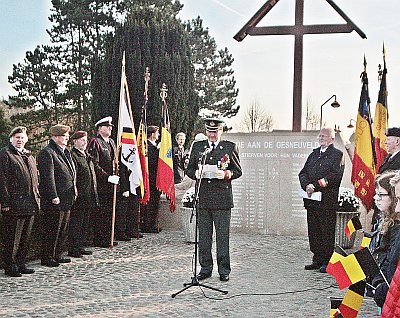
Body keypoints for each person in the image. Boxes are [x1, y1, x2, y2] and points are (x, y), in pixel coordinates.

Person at [186, 118, 242, 282]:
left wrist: (226, 174)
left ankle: (224, 270)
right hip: (203, 197)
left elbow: (237, 171)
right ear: (206, 132)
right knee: (204, 236)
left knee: (222, 237)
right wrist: (195, 174)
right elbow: (190, 169)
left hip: (222, 199)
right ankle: (205, 268)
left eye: (215, 131)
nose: (212, 134)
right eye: (209, 131)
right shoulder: (198, 147)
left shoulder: (229, 147)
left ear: (221, 131)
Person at [299, 127, 344, 273]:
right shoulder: (313, 154)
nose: (321, 138)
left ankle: (327, 261)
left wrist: (316, 186)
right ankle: (317, 259)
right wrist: (306, 185)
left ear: (332, 139)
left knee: (326, 232)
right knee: (314, 231)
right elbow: (303, 173)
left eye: (324, 136)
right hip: (312, 201)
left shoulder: (337, 155)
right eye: (320, 136)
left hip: (326, 202)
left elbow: (334, 176)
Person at [0, 126, 40, 277]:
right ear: (11, 139)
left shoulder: (29, 155)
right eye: (17, 138)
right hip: (14, 204)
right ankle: (10, 266)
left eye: (22, 138)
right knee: (12, 238)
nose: (20, 140)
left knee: (26, 236)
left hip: (30, 203)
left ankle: (21, 263)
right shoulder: (6, 154)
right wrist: (5, 203)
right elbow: (2, 180)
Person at [38, 124, 76, 267]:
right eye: (63, 136)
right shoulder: (47, 152)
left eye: (66, 136)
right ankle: (47, 257)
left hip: (66, 197)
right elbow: (48, 177)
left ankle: (58, 254)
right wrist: (53, 195)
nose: (66, 138)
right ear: (54, 137)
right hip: (55, 199)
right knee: (52, 229)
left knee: (63, 228)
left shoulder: (65, 152)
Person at [87, 116, 120, 247]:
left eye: (111, 127)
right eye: (107, 127)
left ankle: (108, 236)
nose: (110, 129)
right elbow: (94, 164)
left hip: (112, 183)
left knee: (109, 212)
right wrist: (106, 177)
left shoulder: (111, 142)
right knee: (101, 213)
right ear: (100, 129)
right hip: (101, 184)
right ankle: (100, 239)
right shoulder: (95, 142)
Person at [68, 131, 98, 257]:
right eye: (81, 140)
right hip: (79, 195)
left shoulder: (86, 155)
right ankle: (73, 248)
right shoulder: (73, 155)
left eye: (85, 140)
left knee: (85, 223)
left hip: (89, 194)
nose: (84, 142)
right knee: (76, 223)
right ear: (75, 141)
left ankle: (81, 245)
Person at [374, 171, 400, 310]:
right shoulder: (385, 220)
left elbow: (391, 261)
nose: (376, 198)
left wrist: (381, 286)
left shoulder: (397, 226)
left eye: (380, 194)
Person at [371, 128, 400, 251]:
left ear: (397, 141)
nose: (385, 142)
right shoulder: (389, 158)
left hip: (392, 205)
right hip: (383, 203)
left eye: (388, 140)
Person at [141, 125, 161, 233]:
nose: (158, 135)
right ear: (152, 134)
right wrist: (158, 152)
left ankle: (153, 224)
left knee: (155, 202)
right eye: (157, 133)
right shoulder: (147, 146)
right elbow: (151, 162)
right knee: (150, 202)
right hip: (151, 178)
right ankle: (148, 225)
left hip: (156, 178)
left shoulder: (155, 146)